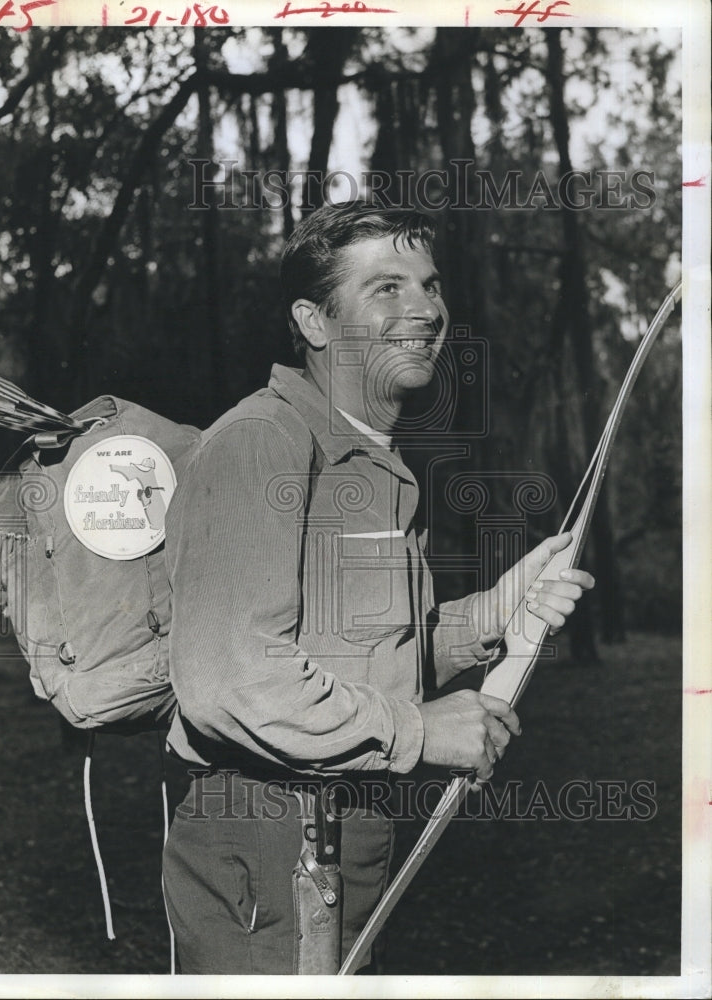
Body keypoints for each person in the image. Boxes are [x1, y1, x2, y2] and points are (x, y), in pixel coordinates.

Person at [161, 201, 594, 974]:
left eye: (429, 286)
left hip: (345, 832)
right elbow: (230, 682)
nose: (426, 309)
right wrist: (422, 733)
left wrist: (501, 608)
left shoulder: (376, 465)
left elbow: (379, 653)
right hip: (271, 841)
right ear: (315, 321)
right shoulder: (263, 442)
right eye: (386, 289)